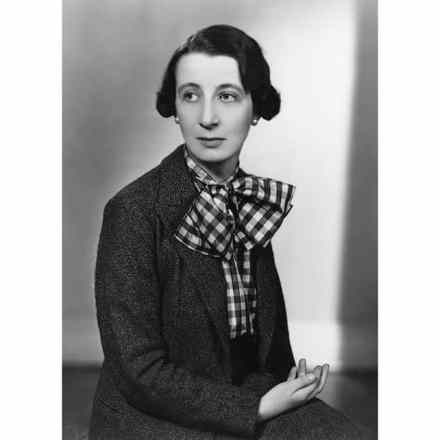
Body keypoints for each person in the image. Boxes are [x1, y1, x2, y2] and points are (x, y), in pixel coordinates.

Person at [89, 24, 365, 439]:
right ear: (175, 108)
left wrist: (285, 384)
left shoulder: (250, 201)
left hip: (244, 395)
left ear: (255, 108)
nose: (207, 117)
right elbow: (139, 371)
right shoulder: (133, 212)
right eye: (190, 95)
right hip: (154, 416)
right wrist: (257, 407)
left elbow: (263, 342)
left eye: (227, 96)